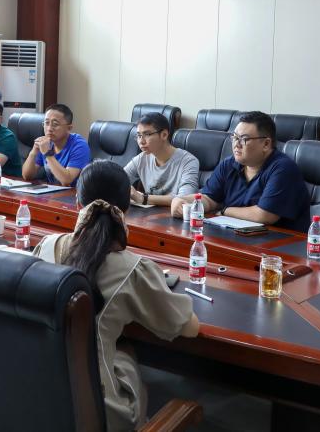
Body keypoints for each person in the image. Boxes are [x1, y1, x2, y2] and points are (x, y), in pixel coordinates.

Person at [34, 161, 199, 431]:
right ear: (127, 209)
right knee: (126, 355)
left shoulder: (46, 246)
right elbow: (189, 328)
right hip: (101, 414)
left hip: (37, 401)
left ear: (77, 203)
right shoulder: (131, 268)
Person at [170, 111, 310, 232]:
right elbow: (209, 199)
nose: (236, 144)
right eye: (235, 137)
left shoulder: (283, 169)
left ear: (266, 144)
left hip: (280, 244)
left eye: (244, 139)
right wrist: (182, 200)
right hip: (238, 237)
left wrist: (225, 210)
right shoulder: (229, 164)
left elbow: (264, 215)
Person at [124, 112, 199, 207]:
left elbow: (185, 198)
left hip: (176, 213)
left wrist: (143, 198)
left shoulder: (188, 161)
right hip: (148, 214)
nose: (141, 141)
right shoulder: (141, 158)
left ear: (164, 134)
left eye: (147, 134)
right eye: (139, 136)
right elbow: (118, 179)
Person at [21, 104, 91, 187]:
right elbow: (27, 176)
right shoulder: (46, 143)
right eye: (47, 123)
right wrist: (33, 152)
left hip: (75, 193)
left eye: (55, 124)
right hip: (52, 192)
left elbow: (67, 180)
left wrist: (47, 153)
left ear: (69, 128)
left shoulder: (79, 145)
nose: (49, 128)